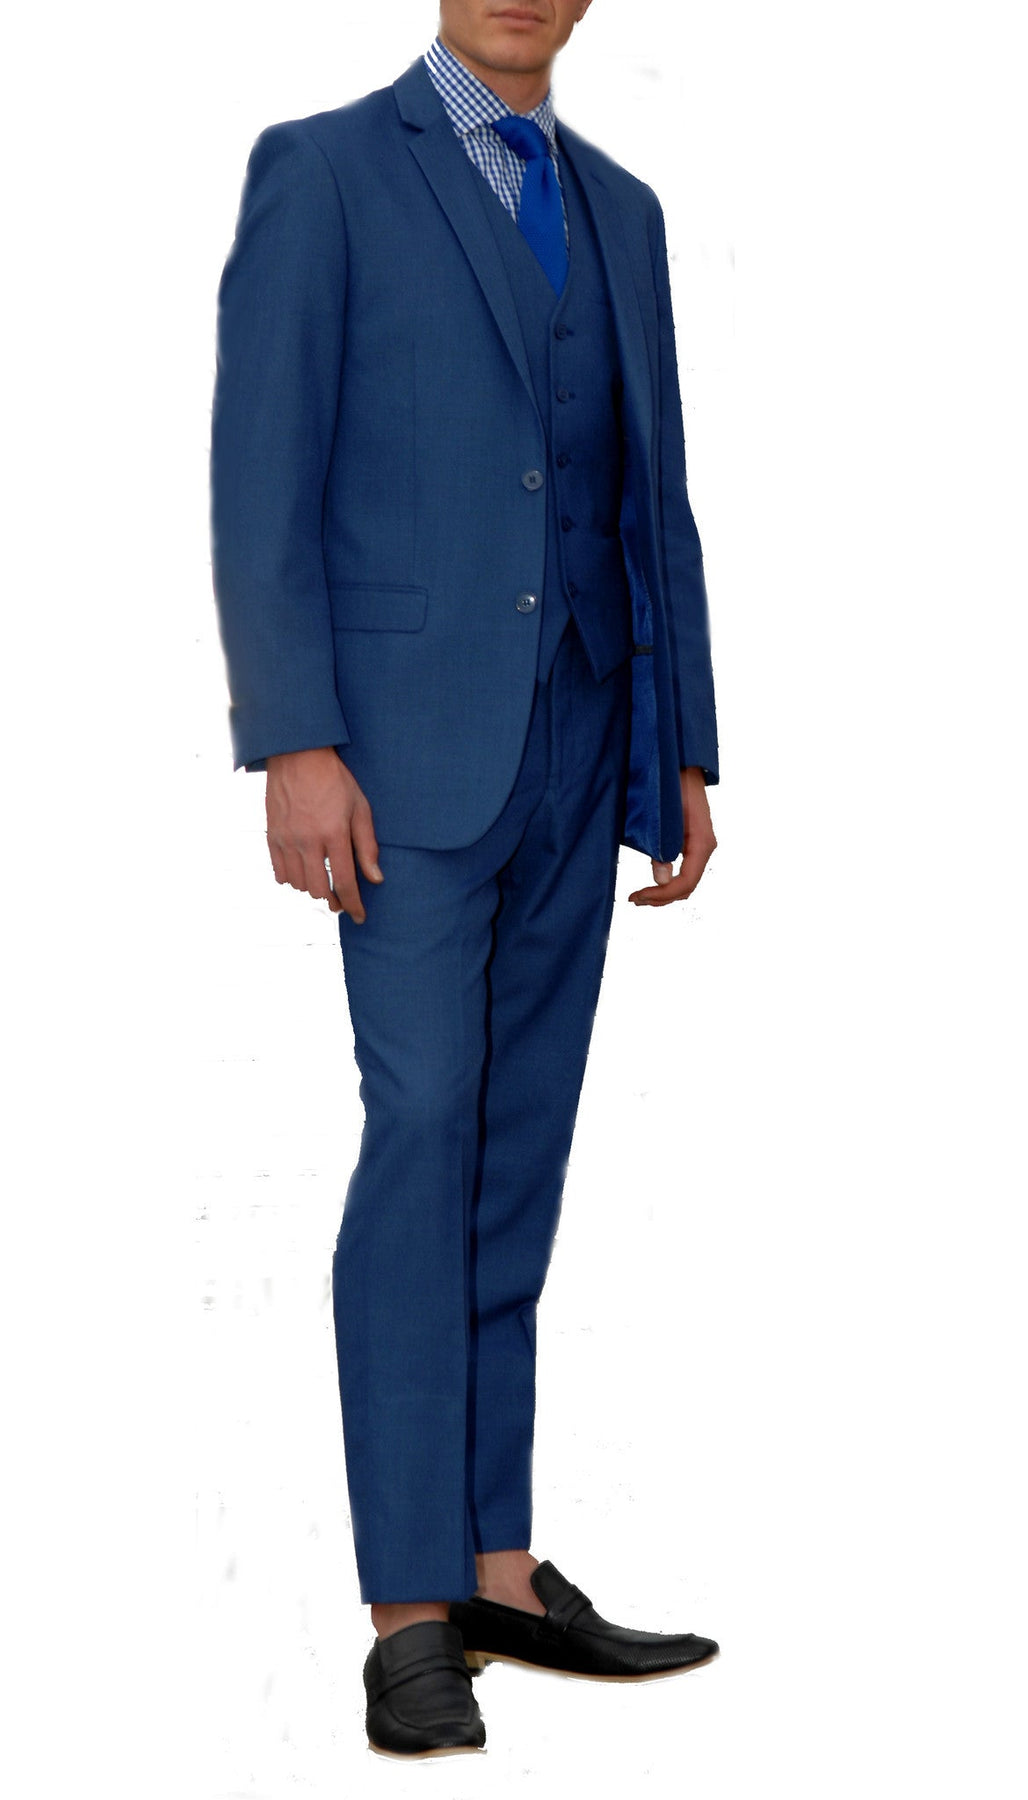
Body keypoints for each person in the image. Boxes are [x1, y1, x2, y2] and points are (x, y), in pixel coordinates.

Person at [210, 0, 720, 1760]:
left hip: (585, 738)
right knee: (426, 1128)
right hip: (403, 754)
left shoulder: (623, 210)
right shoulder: (326, 174)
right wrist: (293, 737)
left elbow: (653, 496)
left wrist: (680, 739)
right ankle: (408, 1613)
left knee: (517, 1148)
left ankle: (498, 1566)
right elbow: (262, 471)